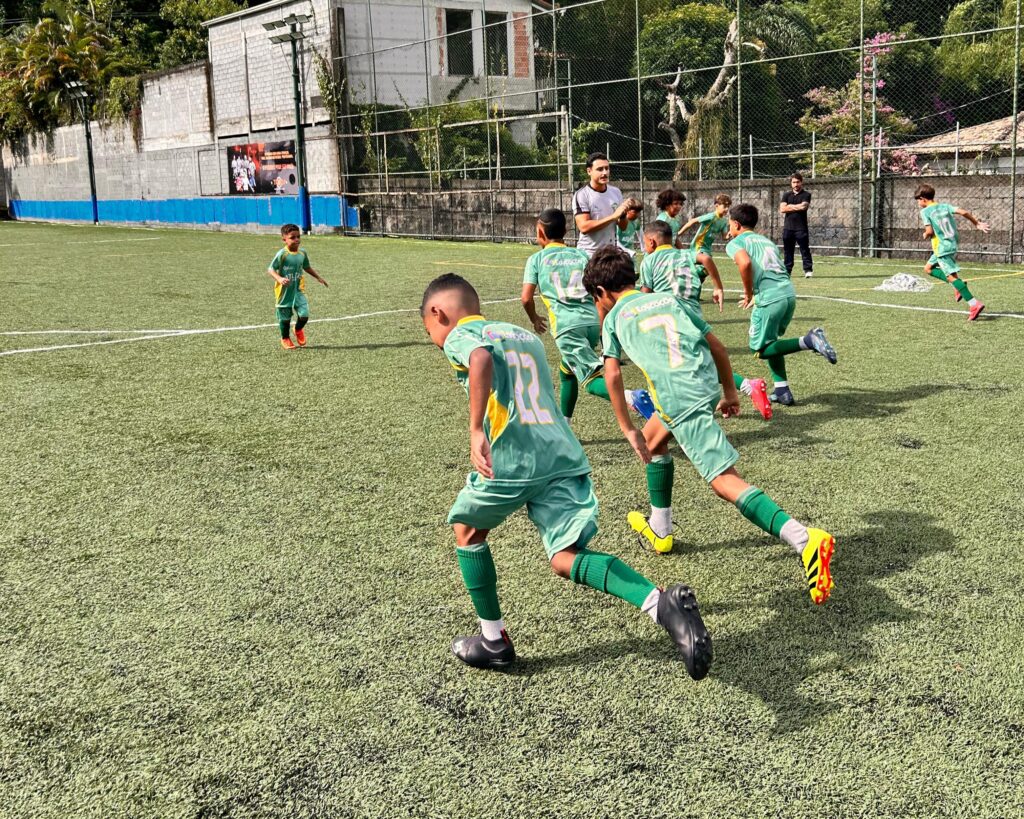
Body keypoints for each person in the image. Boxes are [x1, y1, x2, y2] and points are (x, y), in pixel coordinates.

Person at [420, 273, 713, 679]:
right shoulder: (524, 336)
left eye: (430, 331)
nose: (436, 340)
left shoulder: (463, 335)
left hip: (513, 456)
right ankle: (659, 604)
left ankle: (493, 641)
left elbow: (480, 358)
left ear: (438, 313)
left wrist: (474, 430)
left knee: (467, 531)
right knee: (564, 557)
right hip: (560, 453)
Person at [581, 248, 835, 605]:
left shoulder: (613, 319)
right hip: (700, 385)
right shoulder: (668, 300)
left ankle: (804, 538)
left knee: (723, 481)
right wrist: (729, 391)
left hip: (680, 398)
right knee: (653, 443)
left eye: (596, 300)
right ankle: (661, 529)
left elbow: (611, 374)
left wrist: (626, 428)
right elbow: (716, 346)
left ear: (601, 293)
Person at [521, 208, 655, 419]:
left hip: (567, 328)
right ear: (566, 230)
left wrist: (535, 319)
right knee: (567, 369)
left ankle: (632, 397)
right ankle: (565, 423)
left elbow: (526, 298)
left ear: (539, 232)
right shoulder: (581, 254)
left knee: (590, 381)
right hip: (591, 324)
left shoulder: (536, 260)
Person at [639, 220, 772, 421]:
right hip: (693, 314)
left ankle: (669, 406)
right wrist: (718, 287)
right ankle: (745, 386)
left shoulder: (649, 261)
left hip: (670, 318)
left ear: (651, 242)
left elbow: (646, 294)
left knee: (674, 364)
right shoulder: (685, 254)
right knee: (701, 360)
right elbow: (705, 258)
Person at [726, 203, 836, 406]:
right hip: (788, 294)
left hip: (769, 298)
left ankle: (809, 340)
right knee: (772, 342)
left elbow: (745, 263)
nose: (729, 228)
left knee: (760, 349)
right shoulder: (765, 241)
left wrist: (749, 293)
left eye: (729, 224)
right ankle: (782, 390)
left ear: (736, 224)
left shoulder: (736, 242)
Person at [915, 183, 990, 320]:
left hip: (941, 248)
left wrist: (925, 235)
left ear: (923, 199)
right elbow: (963, 212)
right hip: (952, 243)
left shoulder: (925, 212)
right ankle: (958, 285)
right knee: (928, 269)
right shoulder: (945, 206)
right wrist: (976, 223)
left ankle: (974, 304)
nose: (918, 203)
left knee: (951, 277)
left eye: (918, 200)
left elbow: (929, 231)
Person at [267, 223, 328, 349]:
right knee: (285, 318)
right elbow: (270, 269)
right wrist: (279, 278)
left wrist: (318, 277)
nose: (297, 240)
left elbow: (306, 266)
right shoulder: (282, 254)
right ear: (284, 239)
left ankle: (298, 329)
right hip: (284, 291)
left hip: (298, 289)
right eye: (292, 237)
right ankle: (285, 338)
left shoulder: (302, 253)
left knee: (304, 314)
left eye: (298, 237)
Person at [572, 152, 639, 257]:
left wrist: (622, 214)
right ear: (589, 171)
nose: (605, 173)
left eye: (607, 168)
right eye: (600, 169)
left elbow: (623, 227)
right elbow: (584, 227)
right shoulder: (582, 195)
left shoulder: (616, 192)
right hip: (589, 253)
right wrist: (613, 217)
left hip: (610, 253)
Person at [679, 193, 732, 287]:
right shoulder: (711, 217)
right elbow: (693, 221)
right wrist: (679, 233)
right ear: (717, 206)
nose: (727, 209)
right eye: (724, 206)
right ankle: (685, 275)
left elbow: (725, 237)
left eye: (728, 206)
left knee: (703, 274)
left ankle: (692, 286)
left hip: (707, 248)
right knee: (707, 268)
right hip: (698, 246)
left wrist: (731, 233)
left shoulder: (724, 221)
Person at [779, 173, 813, 278]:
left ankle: (808, 270)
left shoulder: (806, 195)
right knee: (788, 251)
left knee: (804, 249)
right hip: (788, 228)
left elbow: (804, 207)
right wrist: (796, 207)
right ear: (791, 183)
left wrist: (789, 206)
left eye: (798, 182)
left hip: (801, 228)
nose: (796, 184)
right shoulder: (786, 195)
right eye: (794, 182)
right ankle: (787, 270)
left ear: (801, 182)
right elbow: (782, 209)